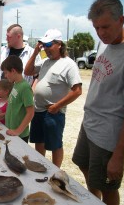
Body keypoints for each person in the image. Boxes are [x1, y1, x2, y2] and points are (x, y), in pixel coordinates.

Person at [72, 0, 124, 205]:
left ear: (120, 19)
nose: (100, 33)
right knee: (83, 165)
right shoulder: (104, 43)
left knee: (108, 186)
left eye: (105, 27)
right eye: (96, 28)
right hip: (90, 124)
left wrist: (119, 155)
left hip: (109, 134)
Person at [24, 29, 82, 168]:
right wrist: (36, 52)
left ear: (59, 44)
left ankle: (56, 171)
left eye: (49, 44)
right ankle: (40, 165)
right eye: (44, 45)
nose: (46, 48)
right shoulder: (45, 61)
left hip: (54, 112)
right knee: (39, 141)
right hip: (38, 110)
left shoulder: (69, 64)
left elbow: (77, 90)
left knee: (55, 145)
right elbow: (27, 71)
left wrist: (57, 106)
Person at [1, 55, 34, 142]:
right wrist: (3, 115)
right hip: (10, 131)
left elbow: (30, 112)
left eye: (6, 73)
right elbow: (15, 106)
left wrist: (18, 131)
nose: (5, 76)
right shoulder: (16, 85)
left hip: (20, 136)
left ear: (13, 71)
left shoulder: (25, 87)